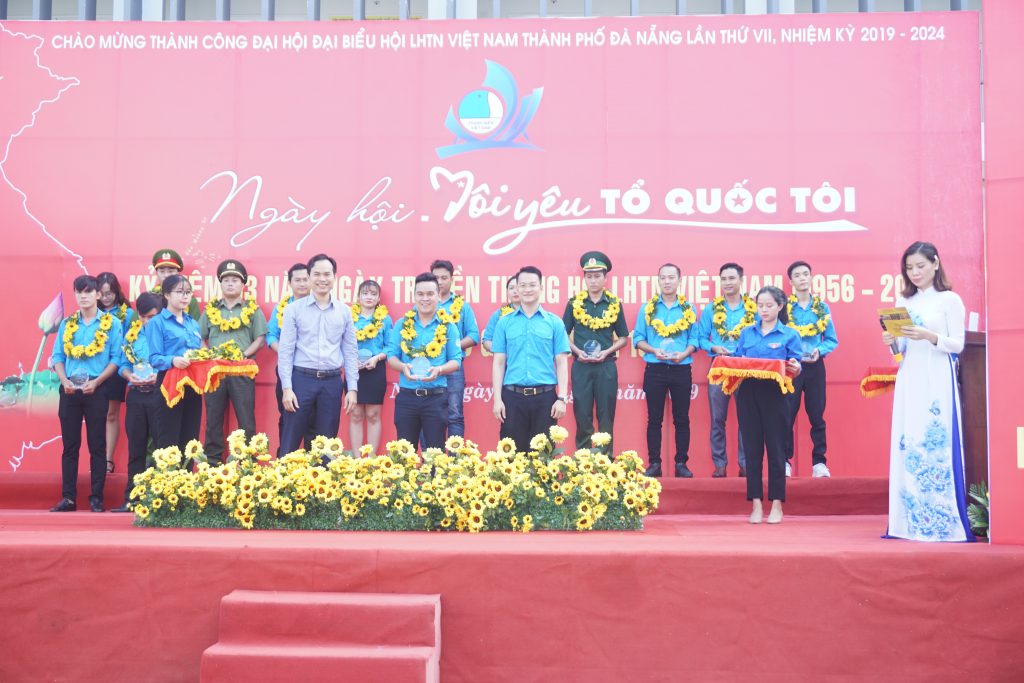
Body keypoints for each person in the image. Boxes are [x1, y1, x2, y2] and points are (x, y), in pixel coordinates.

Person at [882, 242, 974, 542]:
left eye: (920, 266)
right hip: (910, 376)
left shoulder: (950, 300)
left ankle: (942, 520)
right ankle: (907, 522)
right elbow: (900, 353)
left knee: (936, 438)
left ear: (935, 263)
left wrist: (929, 335)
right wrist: (892, 343)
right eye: (909, 268)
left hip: (937, 375)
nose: (915, 272)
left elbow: (958, 344)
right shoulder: (903, 302)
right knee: (908, 439)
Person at [49, 275, 124, 513]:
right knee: (70, 446)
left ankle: (96, 498)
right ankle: (68, 498)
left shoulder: (112, 324)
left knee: (97, 445)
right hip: (69, 388)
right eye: (79, 292)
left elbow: (116, 359)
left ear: (98, 295)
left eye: (88, 292)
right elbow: (58, 356)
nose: (83, 296)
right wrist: (64, 380)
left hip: (96, 387)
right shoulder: (67, 323)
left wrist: (98, 381)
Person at [732, 286, 802, 524]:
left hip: (776, 394)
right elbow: (737, 359)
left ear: (780, 306)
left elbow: (796, 364)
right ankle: (756, 504)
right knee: (752, 450)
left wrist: (796, 367)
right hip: (748, 392)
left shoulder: (789, 334)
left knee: (776, 449)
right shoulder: (747, 333)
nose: (764, 310)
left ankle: (777, 505)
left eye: (769, 305)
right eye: (760, 305)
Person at [277, 254, 359, 454]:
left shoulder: (344, 311)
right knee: (290, 440)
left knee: (326, 446)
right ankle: (284, 475)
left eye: (327, 274)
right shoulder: (294, 310)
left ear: (334, 277)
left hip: (331, 382)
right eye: (317, 274)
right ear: (309, 277)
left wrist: (352, 388)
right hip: (301, 380)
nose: (322, 279)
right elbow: (286, 351)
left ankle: (323, 475)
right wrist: (287, 388)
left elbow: (350, 351)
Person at [492, 266, 571, 453]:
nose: (527, 289)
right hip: (512, 398)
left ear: (541, 287)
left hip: (545, 398)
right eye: (523, 285)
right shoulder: (504, 322)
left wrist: (562, 398)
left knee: (543, 456)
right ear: (517, 288)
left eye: (532, 285)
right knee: (510, 457)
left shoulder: (554, 322)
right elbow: (499, 363)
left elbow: (561, 363)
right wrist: (497, 399)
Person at [632, 263, 700, 478]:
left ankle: (681, 463)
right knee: (654, 419)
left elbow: (694, 339)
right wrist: (654, 350)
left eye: (671, 277)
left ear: (680, 280)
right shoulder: (647, 308)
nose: (667, 281)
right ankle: (654, 463)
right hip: (655, 368)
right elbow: (638, 338)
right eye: (663, 277)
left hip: (681, 368)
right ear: (658, 280)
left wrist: (684, 353)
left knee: (682, 419)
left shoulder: (689, 309)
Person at [198, 260, 267, 464]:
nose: (230, 283)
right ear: (220, 283)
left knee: (246, 419)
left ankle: (247, 462)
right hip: (215, 372)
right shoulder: (210, 310)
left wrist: (244, 355)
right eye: (226, 280)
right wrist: (209, 355)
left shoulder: (252, 309)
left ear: (243, 284)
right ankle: (212, 462)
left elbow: (260, 338)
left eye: (235, 280)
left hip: (242, 371)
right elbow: (199, 337)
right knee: (213, 419)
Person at [386, 273, 462, 449]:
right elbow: (391, 356)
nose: (425, 299)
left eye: (430, 294)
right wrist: (402, 367)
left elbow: (456, 361)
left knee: (435, 453)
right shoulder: (402, 324)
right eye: (420, 294)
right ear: (414, 296)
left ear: (438, 296)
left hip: (436, 398)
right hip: (407, 397)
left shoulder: (448, 327)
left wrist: (439, 370)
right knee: (404, 453)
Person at [562, 251, 629, 452]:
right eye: (589, 276)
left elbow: (624, 338)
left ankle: (605, 460)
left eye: (597, 276)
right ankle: (583, 460)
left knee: (606, 416)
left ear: (605, 278)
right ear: (584, 278)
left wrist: (607, 351)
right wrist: (576, 350)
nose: (593, 281)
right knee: (582, 415)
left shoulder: (614, 304)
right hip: (581, 366)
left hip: (605, 367)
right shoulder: (574, 304)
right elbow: (562, 334)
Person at [697, 263, 757, 477]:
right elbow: (701, 338)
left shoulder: (753, 308)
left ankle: (745, 465)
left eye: (732, 278)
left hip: (745, 368)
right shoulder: (711, 309)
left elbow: (762, 334)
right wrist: (714, 347)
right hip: (719, 366)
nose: (727, 283)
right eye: (724, 279)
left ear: (741, 280)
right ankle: (720, 465)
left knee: (747, 418)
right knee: (717, 418)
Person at [783, 261, 839, 478]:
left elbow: (831, 340)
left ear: (811, 277)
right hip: (791, 367)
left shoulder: (822, 308)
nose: (802, 278)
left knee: (817, 415)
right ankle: (784, 461)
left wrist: (820, 350)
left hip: (815, 366)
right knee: (786, 415)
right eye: (797, 275)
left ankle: (819, 463)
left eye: (806, 274)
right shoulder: (784, 308)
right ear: (791, 281)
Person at [111, 292, 162, 513]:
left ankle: (160, 499)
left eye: (152, 317)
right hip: (136, 394)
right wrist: (128, 375)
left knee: (162, 449)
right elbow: (123, 364)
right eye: (143, 317)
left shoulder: (166, 335)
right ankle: (133, 498)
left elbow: (172, 363)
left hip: (159, 394)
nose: (147, 321)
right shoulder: (132, 335)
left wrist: (158, 376)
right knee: (136, 449)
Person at [145, 274, 203, 455]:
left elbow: (198, 351)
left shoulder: (193, 323)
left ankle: (187, 473)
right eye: (179, 292)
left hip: (192, 384)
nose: (184, 296)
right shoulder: (157, 322)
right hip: (169, 383)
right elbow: (154, 358)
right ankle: (168, 473)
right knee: (168, 438)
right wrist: (172, 360)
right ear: (167, 294)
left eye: (188, 292)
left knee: (190, 440)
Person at [266, 263, 313, 455]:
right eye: (297, 280)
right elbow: (271, 336)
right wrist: (285, 352)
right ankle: (285, 457)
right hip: (288, 369)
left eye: (305, 279)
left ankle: (312, 462)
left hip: (311, 371)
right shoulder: (281, 308)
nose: (302, 284)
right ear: (290, 283)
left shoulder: (319, 306)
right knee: (287, 414)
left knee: (312, 418)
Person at [431, 259, 479, 438]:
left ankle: (455, 456)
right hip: (429, 366)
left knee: (454, 414)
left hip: (454, 367)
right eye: (436, 278)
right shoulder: (423, 304)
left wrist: (452, 347)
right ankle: (431, 456)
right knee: (429, 414)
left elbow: (473, 336)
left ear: (452, 280)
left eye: (444, 278)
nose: (440, 282)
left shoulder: (462, 305)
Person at [96, 272, 135, 474]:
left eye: (109, 293)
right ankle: (96, 460)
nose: (105, 298)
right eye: (101, 294)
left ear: (116, 292)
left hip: (115, 368)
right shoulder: (90, 312)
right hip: (93, 369)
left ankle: (108, 461)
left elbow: (130, 343)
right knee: (95, 415)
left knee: (111, 414)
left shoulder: (127, 314)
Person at [349, 280, 393, 454]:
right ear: (358, 297)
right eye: (365, 293)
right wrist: (351, 361)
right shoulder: (349, 317)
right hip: (353, 370)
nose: (369, 297)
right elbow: (341, 343)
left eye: (373, 294)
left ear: (378, 298)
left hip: (375, 369)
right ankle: (357, 460)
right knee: (355, 415)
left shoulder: (385, 319)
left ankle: (372, 460)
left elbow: (390, 346)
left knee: (373, 415)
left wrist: (377, 358)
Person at [150, 249, 201, 319]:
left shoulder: (190, 300)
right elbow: (137, 324)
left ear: (178, 273)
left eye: (171, 271)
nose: (166, 275)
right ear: (156, 273)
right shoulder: (148, 298)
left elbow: (195, 325)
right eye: (162, 271)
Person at [482, 275, 519, 353]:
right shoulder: (499, 314)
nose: (515, 291)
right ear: (507, 292)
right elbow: (487, 341)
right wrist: (502, 353)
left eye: (518, 287)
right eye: (511, 288)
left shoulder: (532, 313)